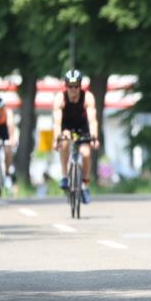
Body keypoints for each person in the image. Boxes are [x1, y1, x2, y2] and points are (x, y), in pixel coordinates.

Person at [52, 69, 100, 204]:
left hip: (82, 127)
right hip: (66, 127)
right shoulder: (60, 98)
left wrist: (94, 137)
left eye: (76, 86)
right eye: (70, 86)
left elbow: (92, 120)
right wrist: (57, 139)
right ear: (66, 86)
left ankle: (84, 184)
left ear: (80, 86)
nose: (73, 90)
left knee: (85, 153)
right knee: (65, 142)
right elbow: (56, 122)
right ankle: (65, 176)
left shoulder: (88, 97)